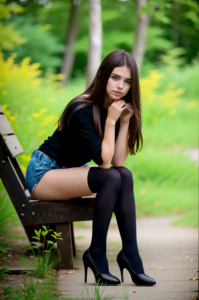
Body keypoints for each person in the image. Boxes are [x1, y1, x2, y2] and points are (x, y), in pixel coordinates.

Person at [25, 49, 156, 286]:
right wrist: (112, 121)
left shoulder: (115, 109)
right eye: (115, 77)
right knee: (110, 178)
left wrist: (124, 121)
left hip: (67, 173)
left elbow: (118, 162)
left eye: (127, 81)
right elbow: (105, 163)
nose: (120, 86)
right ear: (103, 75)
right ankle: (96, 254)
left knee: (123, 175)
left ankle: (130, 254)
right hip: (45, 174)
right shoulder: (81, 108)